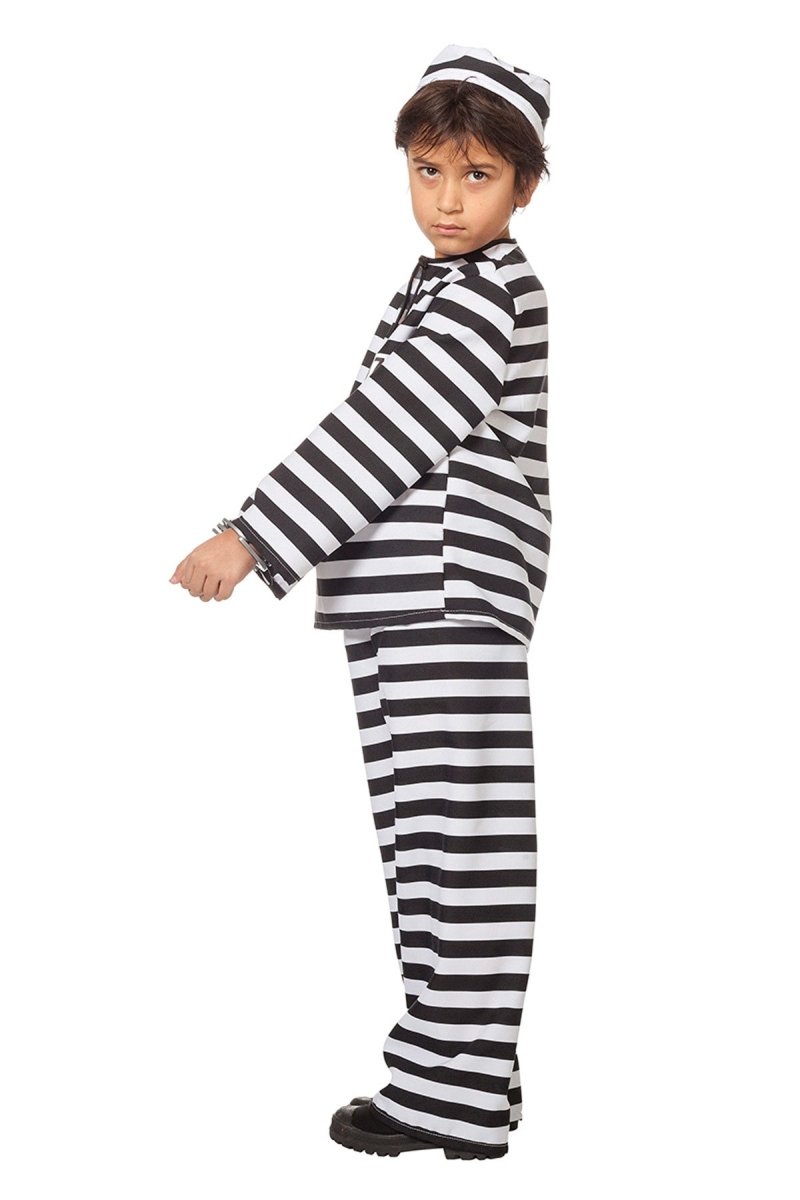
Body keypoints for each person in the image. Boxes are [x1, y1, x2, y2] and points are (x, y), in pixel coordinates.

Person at [169, 43, 552, 1161]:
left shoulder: (485, 295)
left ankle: (455, 1088)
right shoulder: (446, 286)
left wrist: (252, 532)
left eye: (475, 176)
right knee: (431, 853)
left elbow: (387, 426)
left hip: (449, 595)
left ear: (525, 186)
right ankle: (455, 1080)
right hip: (408, 598)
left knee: (458, 849)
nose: (447, 201)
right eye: (428, 171)